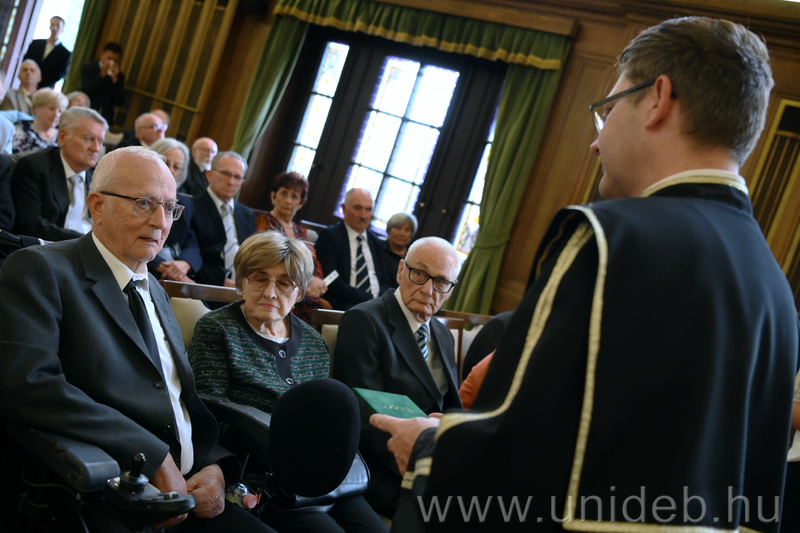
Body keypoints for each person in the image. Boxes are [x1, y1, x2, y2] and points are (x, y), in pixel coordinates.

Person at [371, 16, 799, 533]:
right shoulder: (776, 289)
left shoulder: (607, 239)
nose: (595, 143)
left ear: (659, 99)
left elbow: (513, 448)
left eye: (608, 109)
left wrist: (425, 448)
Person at [0, 146, 276, 532]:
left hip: (191, 489)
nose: (161, 222)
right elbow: (28, 385)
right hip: (109, 491)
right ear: (97, 206)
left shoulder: (154, 289)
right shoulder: (41, 269)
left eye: (170, 208)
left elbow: (177, 397)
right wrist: (153, 456)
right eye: (144, 203)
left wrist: (214, 464)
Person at [189, 230, 387, 533]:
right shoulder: (218, 330)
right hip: (265, 482)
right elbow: (207, 415)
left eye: (284, 283)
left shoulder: (313, 342)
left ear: (300, 292)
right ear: (242, 281)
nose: (270, 293)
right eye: (259, 278)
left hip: (329, 479)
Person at [333, 236, 462, 518]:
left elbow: (451, 407)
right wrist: (423, 468)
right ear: (401, 270)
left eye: (441, 282)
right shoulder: (364, 320)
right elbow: (366, 418)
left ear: (450, 289)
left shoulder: (442, 334)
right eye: (420, 274)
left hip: (432, 460)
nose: (428, 289)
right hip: (384, 470)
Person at [11, 106, 106, 241]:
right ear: (62, 137)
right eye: (88, 139)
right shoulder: (34, 167)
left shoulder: (100, 175)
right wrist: (85, 241)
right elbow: (30, 224)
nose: (96, 148)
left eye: (100, 141)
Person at [263, 172, 328, 321]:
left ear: (300, 203)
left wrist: (316, 282)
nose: (288, 200)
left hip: (301, 290)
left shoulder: (302, 233)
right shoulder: (262, 222)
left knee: (324, 307)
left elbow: (314, 265)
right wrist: (304, 282)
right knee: (321, 306)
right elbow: (269, 261)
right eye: (284, 194)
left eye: (294, 197)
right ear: (273, 196)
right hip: (275, 285)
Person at [316, 188, 391, 310]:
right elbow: (331, 279)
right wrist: (368, 299)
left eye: (368, 209)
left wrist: (379, 300)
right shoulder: (330, 236)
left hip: (376, 306)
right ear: (344, 208)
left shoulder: (376, 241)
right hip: (345, 303)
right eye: (357, 208)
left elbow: (384, 280)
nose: (363, 215)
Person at [191, 151, 256, 290]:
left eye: (237, 177)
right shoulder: (193, 207)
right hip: (205, 287)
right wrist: (223, 283)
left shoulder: (247, 214)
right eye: (225, 174)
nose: (231, 182)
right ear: (209, 175)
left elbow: (253, 256)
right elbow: (192, 255)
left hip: (244, 287)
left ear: (242, 182)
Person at [148, 138, 202, 282]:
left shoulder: (185, 204)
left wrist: (185, 263)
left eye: (177, 167)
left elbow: (192, 244)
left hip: (175, 274)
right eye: (165, 163)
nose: (170, 170)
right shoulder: (136, 197)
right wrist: (163, 266)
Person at [11, 88, 67, 154]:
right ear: (36, 108)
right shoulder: (21, 127)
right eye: (52, 109)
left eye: (60, 111)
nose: (56, 114)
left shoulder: (63, 136)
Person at [81, 42, 125, 125]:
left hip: (105, 117)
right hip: (87, 112)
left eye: (115, 61)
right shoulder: (89, 67)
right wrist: (101, 75)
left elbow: (119, 102)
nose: (111, 62)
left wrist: (115, 81)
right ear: (102, 54)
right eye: (109, 58)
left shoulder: (119, 76)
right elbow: (86, 91)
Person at [22, 16, 71, 89]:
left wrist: (39, 78)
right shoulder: (36, 44)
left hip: (45, 88)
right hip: (27, 83)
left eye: (57, 26)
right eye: (52, 24)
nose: (54, 28)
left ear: (62, 29)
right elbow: (26, 60)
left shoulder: (65, 53)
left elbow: (59, 74)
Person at [383, 212, 417, 288]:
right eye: (398, 228)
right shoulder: (377, 248)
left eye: (407, 230)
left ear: (411, 234)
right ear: (389, 230)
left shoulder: (414, 255)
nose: (402, 233)